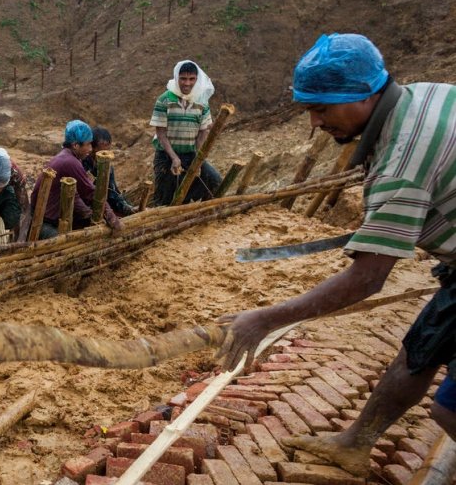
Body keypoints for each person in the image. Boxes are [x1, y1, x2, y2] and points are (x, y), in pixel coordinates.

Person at [217, 33, 456, 477]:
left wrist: (265, 319)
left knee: (449, 414)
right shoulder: (422, 96)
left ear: (364, 96)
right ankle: (355, 442)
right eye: (308, 108)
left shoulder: (402, 162)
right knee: (419, 350)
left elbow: (367, 278)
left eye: (321, 108)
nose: (313, 122)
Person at [31, 120, 123, 240]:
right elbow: (90, 192)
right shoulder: (70, 162)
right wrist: (112, 218)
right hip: (44, 223)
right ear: (75, 145)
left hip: (48, 218)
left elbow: (78, 194)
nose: (90, 149)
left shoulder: (67, 157)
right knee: (67, 245)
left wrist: (90, 214)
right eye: (88, 144)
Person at [150, 60, 223, 206]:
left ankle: (198, 212)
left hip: (190, 155)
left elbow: (202, 133)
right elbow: (161, 133)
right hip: (166, 156)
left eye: (191, 79)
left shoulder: (201, 102)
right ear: (177, 78)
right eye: (183, 78)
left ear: (196, 79)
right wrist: (174, 158)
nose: (187, 83)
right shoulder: (164, 100)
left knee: (214, 180)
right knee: (165, 197)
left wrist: (198, 159)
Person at [82, 127, 137, 217]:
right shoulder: (82, 164)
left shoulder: (108, 167)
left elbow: (113, 192)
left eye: (107, 150)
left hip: (105, 205)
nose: (105, 155)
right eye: (101, 152)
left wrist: (128, 208)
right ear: (92, 148)